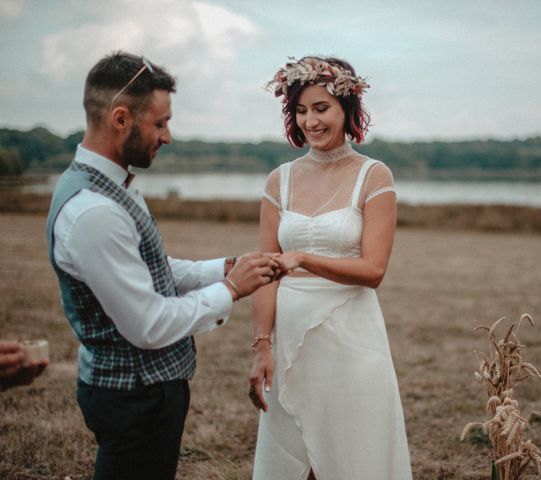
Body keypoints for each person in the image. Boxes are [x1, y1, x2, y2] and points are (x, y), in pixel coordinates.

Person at [45, 51, 277, 480]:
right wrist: (230, 290)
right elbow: (148, 325)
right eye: (160, 123)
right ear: (120, 119)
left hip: (144, 392)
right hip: (134, 397)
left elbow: (149, 269)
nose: (167, 136)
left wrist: (223, 267)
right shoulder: (94, 210)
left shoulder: (114, 184)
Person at [249, 56, 413, 479]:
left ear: (347, 109)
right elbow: (266, 274)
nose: (310, 121)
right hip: (291, 331)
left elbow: (374, 270)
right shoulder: (278, 180)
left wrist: (302, 258)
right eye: (301, 111)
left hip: (351, 334)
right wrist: (262, 345)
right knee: (294, 456)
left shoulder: (373, 176)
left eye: (321, 108)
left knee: (351, 453)